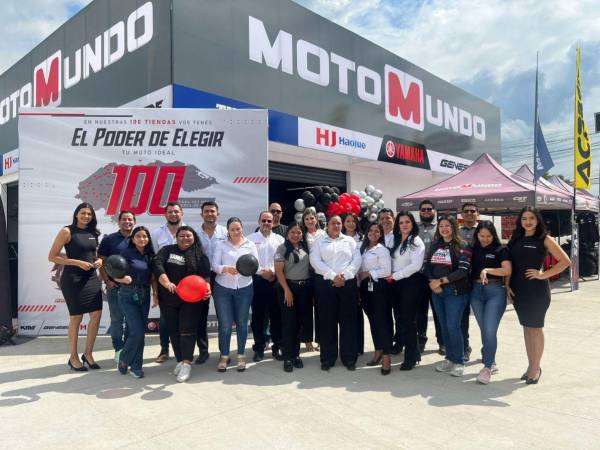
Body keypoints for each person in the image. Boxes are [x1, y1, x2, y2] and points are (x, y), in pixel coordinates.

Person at [507, 206, 570, 385]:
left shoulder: (544, 239)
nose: (528, 222)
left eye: (531, 218)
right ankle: (531, 365)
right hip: (518, 290)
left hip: (536, 291)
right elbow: (510, 264)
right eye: (524, 218)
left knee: (535, 328)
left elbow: (565, 261)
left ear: (537, 221)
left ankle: (536, 367)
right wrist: (507, 286)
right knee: (527, 328)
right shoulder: (516, 238)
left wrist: (543, 275)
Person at [48, 202, 103, 371]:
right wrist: (76, 262)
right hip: (73, 278)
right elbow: (52, 257)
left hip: (91, 277)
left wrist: (99, 260)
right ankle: (73, 357)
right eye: (83, 213)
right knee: (76, 318)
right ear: (76, 214)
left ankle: (88, 354)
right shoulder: (67, 231)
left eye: (89, 214)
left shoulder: (92, 232)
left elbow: (93, 254)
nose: (86, 216)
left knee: (96, 314)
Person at [152, 226, 212, 382]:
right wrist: (165, 282)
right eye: (182, 236)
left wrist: (207, 289)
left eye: (189, 236)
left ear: (194, 238)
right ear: (176, 237)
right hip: (169, 299)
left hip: (191, 301)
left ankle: (187, 363)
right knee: (173, 331)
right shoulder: (167, 250)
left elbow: (206, 277)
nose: (186, 238)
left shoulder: (200, 255)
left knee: (187, 331)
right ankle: (180, 361)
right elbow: (157, 264)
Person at [309, 215, 362, 371]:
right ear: (327, 225)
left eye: (339, 223)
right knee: (327, 322)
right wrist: (333, 276)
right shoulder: (319, 242)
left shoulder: (350, 241)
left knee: (348, 322)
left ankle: (349, 358)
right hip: (326, 285)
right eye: (333, 223)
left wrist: (344, 276)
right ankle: (328, 358)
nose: (336, 226)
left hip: (347, 284)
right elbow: (315, 261)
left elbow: (357, 260)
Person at [424, 215, 472, 377]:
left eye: (447, 225)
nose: (444, 228)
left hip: (455, 292)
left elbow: (463, 271)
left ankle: (459, 361)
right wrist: (433, 282)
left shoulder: (463, 245)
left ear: (453, 227)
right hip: (437, 292)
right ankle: (449, 359)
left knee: (453, 326)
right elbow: (427, 266)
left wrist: (441, 281)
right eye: (441, 226)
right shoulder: (434, 245)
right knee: (444, 326)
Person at [211, 217, 259, 372]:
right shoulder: (221, 244)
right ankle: (224, 356)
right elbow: (214, 266)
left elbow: (255, 265)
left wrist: (248, 270)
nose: (236, 232)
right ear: (228, 231)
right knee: (225, 325)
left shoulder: (250, 244)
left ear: (242, 228)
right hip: (223, 289)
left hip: (245, 288)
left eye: (238, 228)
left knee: (242, 323)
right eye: (232, 229)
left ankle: (240, 355)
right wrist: (226, 268)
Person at [469, 221, 512, 385]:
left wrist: (487, 270)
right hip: (475, 292)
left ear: (493, 234)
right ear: (477, 235)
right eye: (482, 236)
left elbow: (507, 270)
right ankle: (491, 361)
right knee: (485, 329)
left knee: (489, 329)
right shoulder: (473, 248)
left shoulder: (501, 249)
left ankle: (487, 368)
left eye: (488, 236)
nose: (485, 239)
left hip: (495, 292)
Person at [113, 226, 156, 378]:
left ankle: (136, 366)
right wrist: (121, 279)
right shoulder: (126, 253)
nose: (142, 239)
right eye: (138, 236)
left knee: (138, 333)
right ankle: (124, 358)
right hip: (127, 294)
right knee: (137, 332)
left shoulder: (150, 255)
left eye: (145, 236)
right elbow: (112, 271)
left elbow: (153, 277)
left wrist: (155, 294)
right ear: (132, 239)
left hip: (144, 294)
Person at [98, 210, 136, 364]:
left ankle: (128, 348)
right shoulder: (109, 240)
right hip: (115, 287)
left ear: (134, 222)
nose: (127, 222)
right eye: (124, 219)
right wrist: (107, 280)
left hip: (134, 287)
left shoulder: (139, 238)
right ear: (118, 222)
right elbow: (101, 262)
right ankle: (118, 349)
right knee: (117, 320)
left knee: (132, 320)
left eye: (130, 220)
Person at [390, 211, 426, 371]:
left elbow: (415, 266)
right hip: (395, 284)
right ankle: (416, 352)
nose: (404, 225)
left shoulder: (416, 242)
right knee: (400, 318)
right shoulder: (396, 240)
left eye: (407, 222)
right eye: (401, 222)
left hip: (410, 283)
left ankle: (410, 358)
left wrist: (396, 276)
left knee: (408, 321)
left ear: (413, 224)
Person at [247, 211, 285, 362]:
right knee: (258, 317)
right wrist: (261, 272)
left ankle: (277, 346)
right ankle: (259, 347)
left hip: (276, 281)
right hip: (257, 281)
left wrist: (274, 271)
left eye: (269, 221)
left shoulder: (280, 239)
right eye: (264, 220)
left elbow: (283, 259)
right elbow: (248, 261)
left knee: (276, 316)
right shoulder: (250, 240)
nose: (266, 223)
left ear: (273, 222)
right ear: (258, 222)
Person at [274, 223, 311, 372]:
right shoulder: (281, 249)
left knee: (299, 324)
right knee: (289, 323)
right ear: (287, 234)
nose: (296, 235)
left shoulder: (306, 248)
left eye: (299, 232)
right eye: (293, 232)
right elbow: (279, 272)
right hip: (288, 288)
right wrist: (287, 291)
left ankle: (296, 355)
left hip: (304, 288)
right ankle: (287, 357)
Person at [194, 201, 228, 365]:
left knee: (224, 316)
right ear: (202, 214)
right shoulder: (194, 233)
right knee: (200, 315)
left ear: (218, 214)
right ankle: (203, 351)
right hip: (201, 279)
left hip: (221, 277)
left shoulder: (225, 232)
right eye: (206, 211)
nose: (209, 214)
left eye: (212, 211)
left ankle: (224, 352)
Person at [151, 202, 185, 363]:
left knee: (186, 319)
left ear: (181, 213)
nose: (173, 214)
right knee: (165, 319)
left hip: (186, 283)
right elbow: (154, 263)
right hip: (165, 282)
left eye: (176, 211)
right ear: (165, 215)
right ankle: (164, 349)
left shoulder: (189, 232)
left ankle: (185, 352)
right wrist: (156, 290)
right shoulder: (157, 233)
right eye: (170, 212)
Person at [358, 223, 392, 375]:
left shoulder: (382, 250)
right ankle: (378, 350)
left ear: (380, 234)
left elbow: (386, 270)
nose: (373, 233)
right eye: (370, 230)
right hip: (365, 289)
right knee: (372, 321)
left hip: (379, 288)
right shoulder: (363, 249)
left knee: (381, 322)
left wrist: (368, 273)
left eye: (377, 231)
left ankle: (386, 357)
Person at [416, 200, 443, 355]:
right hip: (418, 275)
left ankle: (442, 342)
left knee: (438, 310)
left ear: (434, 211)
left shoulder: (440, 228)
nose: (426, 211)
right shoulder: (415, 228)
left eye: (429, 209)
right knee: (420, 311)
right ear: (419, 212)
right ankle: (421, 340)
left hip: (435, 274)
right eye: (423, 209)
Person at [301, 208, 326, 352]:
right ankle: (307, 341)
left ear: (316, 219)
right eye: (306, 219)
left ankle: (321, 340)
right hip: (305, 275)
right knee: (306, 309)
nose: (310, 221)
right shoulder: (302, 235)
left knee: (321, 309)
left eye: (312, 218)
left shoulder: (324, 234)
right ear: (303, 222)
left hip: (320, 275)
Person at [458, 202, 479, 361]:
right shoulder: (457, 232)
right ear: (462, 214)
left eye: (473, 211)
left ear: (477, 213)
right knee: (462, 317)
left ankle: (488, 352)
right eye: (466, 211)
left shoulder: (484, 229)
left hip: (480, 279)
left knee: (484, 319)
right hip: (462, 280)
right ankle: (465, 348)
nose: (469, 213)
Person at [378, 208, 401, 355]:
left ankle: (399, 342)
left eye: (388, 218)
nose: (385, 221)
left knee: (399, 313)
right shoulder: (377, 237)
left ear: (393, 219)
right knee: (384, 314)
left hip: (397, 280)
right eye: (382, 219)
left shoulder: (400, 236)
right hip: (382, 281)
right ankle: (387, 341)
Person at [342, 212, 364, 355]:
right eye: (348, 221)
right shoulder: (338, 238)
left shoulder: (362, 238)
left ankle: (358, 347)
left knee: (357, 314)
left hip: (359, 280)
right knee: (346, 316)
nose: (350, 223)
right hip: (342, 280)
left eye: (353, 221)